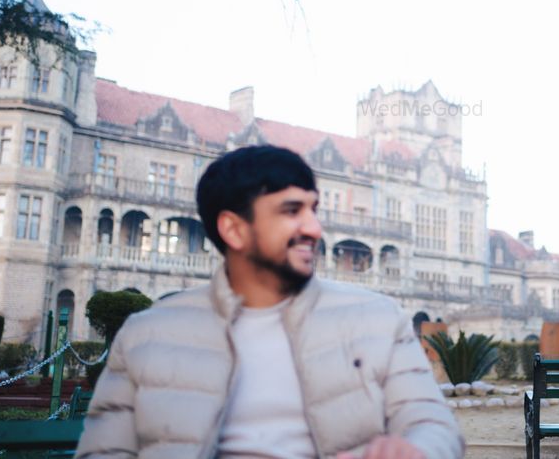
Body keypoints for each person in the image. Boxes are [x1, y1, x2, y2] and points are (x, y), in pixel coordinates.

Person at [75, 145, 464, 459]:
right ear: (233, 229)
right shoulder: (147, 334)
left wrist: (414, 450)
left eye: (314, 209)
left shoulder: (378, 319)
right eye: (291, 211)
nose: (314, 228)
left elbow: (435, 425)